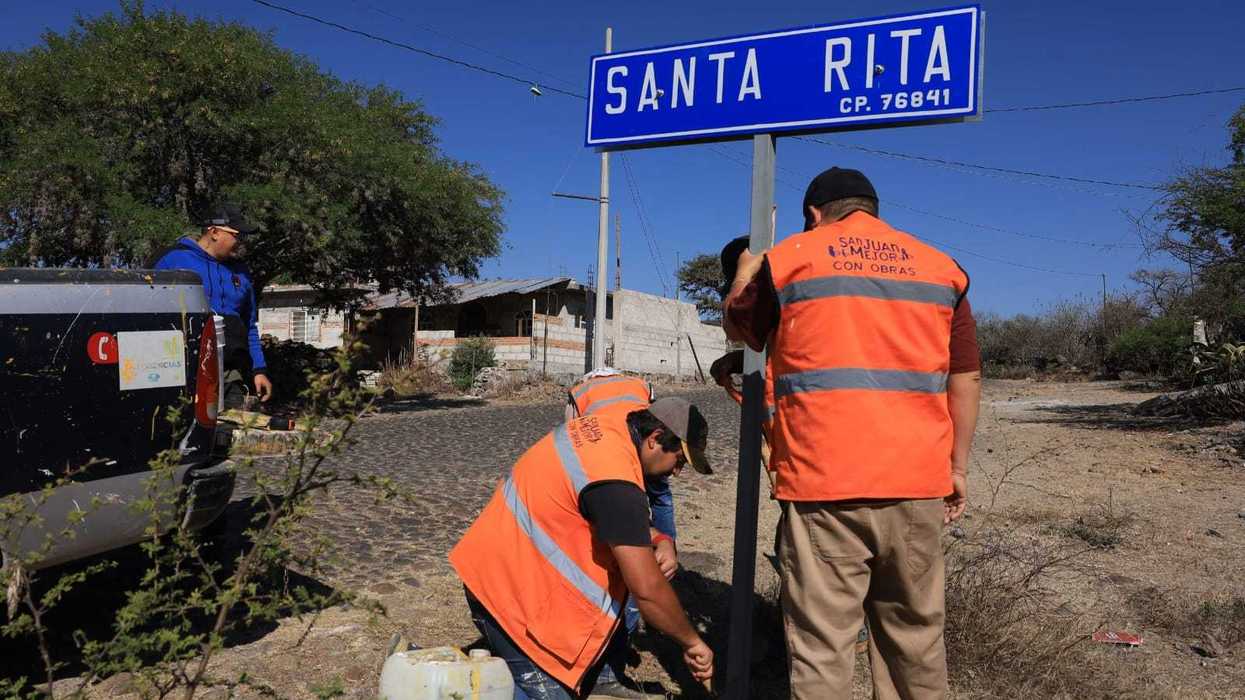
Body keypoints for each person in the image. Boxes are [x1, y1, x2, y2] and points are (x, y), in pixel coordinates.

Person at [723, 167, 982, 699]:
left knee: (823, 648)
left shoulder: (790, 258)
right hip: (916, 483)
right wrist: (956, 466)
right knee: (916, 642)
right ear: (871, 208)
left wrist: (746, 271)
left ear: (815, 215)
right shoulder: (942, 269)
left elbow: (740, 328)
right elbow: (966, 376)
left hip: (823, 486)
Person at [449, 397, 715, 699]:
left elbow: (599, 510)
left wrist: (658, 538)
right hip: (506, 593)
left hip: (495, 568)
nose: (676, 472)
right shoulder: (616, 477)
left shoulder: (606, 430)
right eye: (679, 461)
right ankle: (433, 686)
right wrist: (692, 642)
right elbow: (647, 590)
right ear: (655, 439)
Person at [153, 202, 272, 407]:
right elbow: (149, 315)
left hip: (229, 376)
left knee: (230, 434)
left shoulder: (242, 273)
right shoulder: (173, 260)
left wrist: (259, 370)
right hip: (183, 374)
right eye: (237, 235)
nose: (242, 241)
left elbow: (250, 325)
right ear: (214, 232)